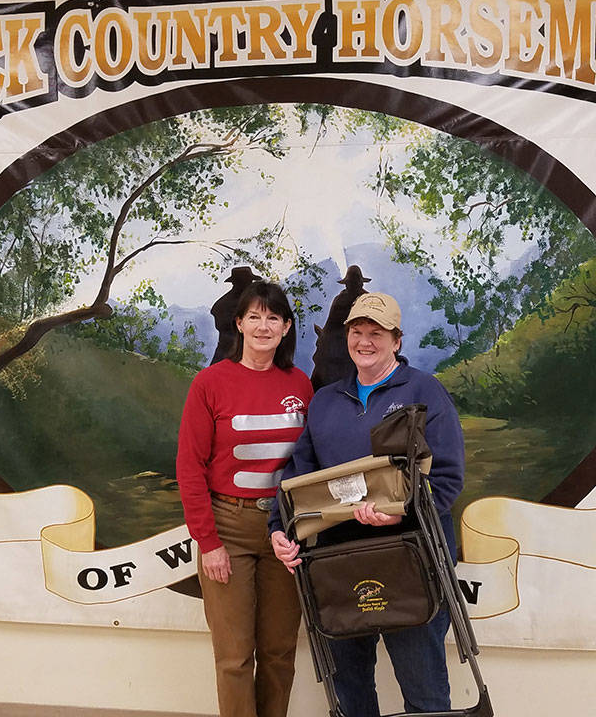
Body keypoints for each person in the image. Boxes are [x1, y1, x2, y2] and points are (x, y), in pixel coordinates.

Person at [269, 292, 465, 717]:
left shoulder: (424, 391)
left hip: (412, 562)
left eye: (376, 333)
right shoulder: (324, 401)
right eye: (357, 332)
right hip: (337, 563)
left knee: (424, 690)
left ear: (396, 340)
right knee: (349, 689)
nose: (365, 341)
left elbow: (447, 480)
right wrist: (279, 530)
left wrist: (399, 511)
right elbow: (296, 475)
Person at [176, 280, 313, 717]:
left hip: (285, 532)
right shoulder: (210, 383)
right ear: (238, 324)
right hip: (228, 529)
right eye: (254, 316)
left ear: (287, 327)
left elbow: (310, 461)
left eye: (274, 317)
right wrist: (209, 542)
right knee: (235, 657)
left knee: (278, 652)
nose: (263, 325)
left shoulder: (300, 385)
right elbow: (189, 468)